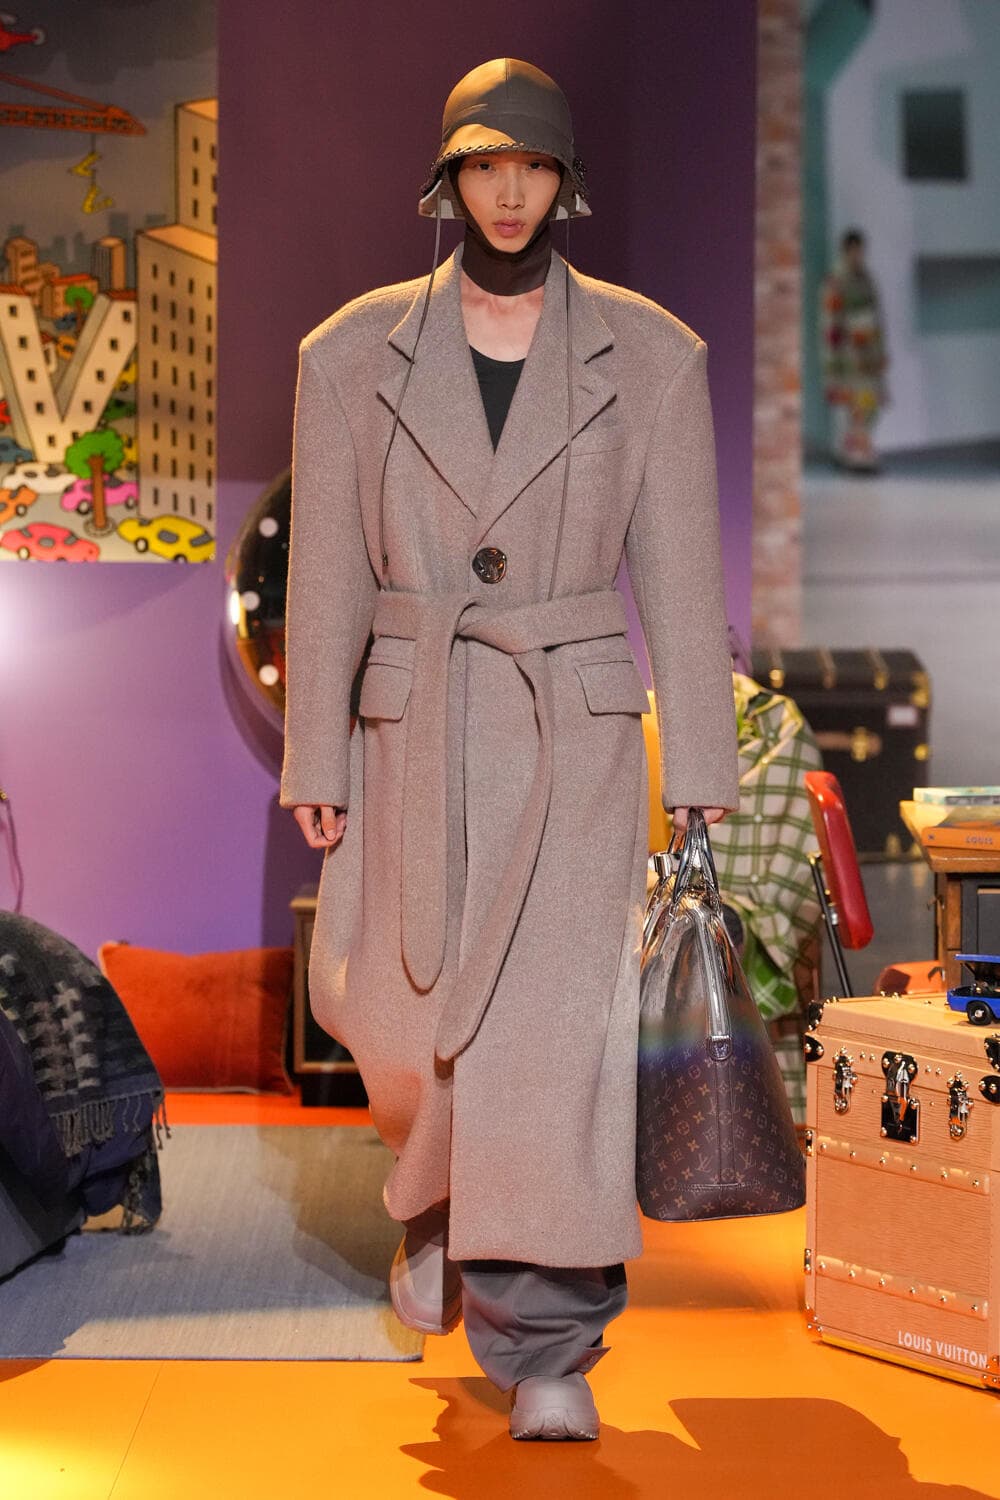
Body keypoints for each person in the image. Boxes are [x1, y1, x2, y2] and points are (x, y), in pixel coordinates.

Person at [279, 57, 740, 1441]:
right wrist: (315, 758)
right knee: (399, 1020)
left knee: (550, 1047)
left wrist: (699, 774)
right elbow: (326, 577)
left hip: (568, 740)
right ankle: (436, 1203)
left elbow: (680, 576)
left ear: (564, 182)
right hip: (412, 730)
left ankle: (549, 1345)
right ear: (449, 177)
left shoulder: (651, 356)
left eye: (531, 164)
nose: (509, 189)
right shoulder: (348, 353)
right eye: (486, 163)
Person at [820, 228, 888, 472]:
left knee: (870, 405)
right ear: (846, 251)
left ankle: (859, 450)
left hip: (868, 353)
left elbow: (876, 318)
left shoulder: (867, 279)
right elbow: (831, 324)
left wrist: (880, 351)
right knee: (855, 405)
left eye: (861, 251)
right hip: (849, 354)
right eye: (855, 251)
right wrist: (833, 361)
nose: (858, 255)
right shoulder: (837, 281)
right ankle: (853, 454)